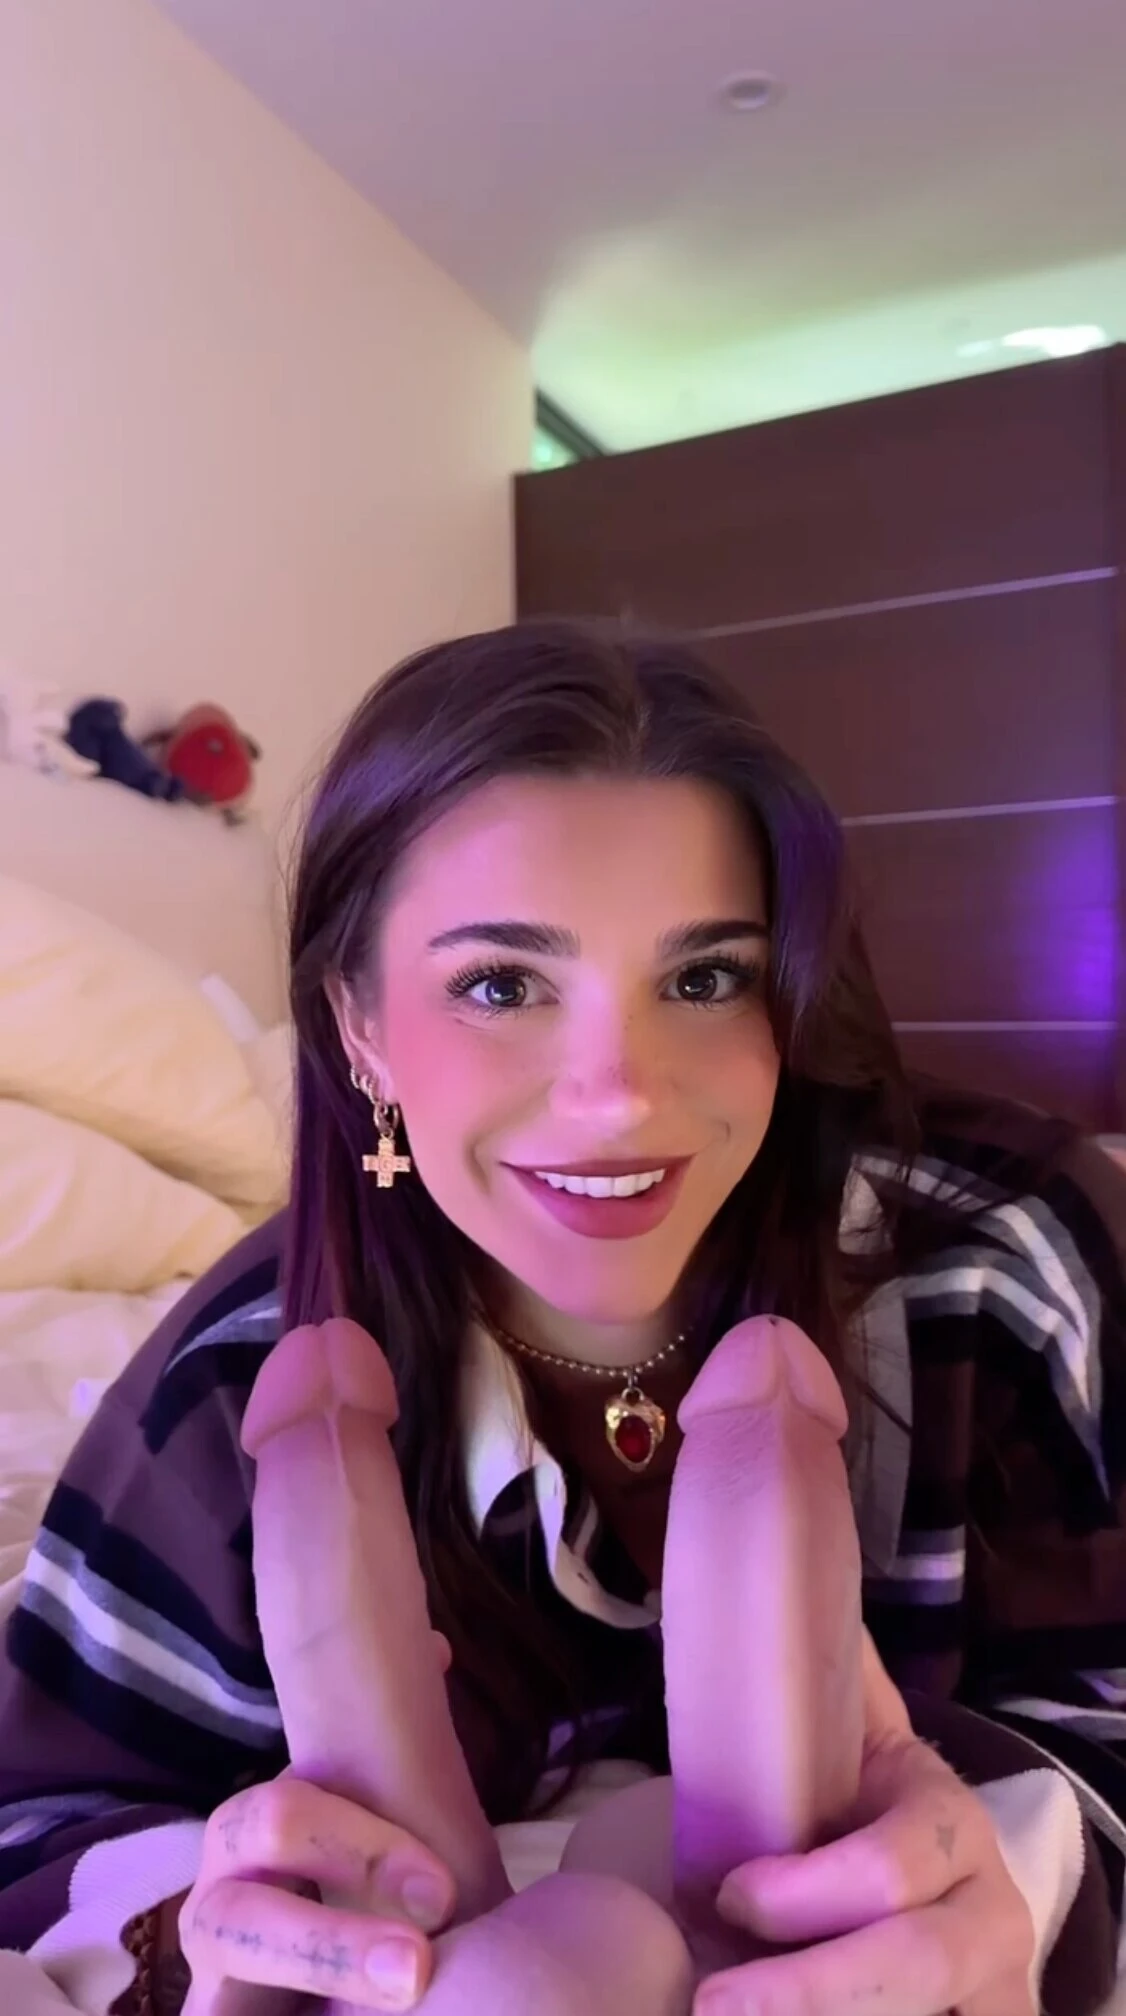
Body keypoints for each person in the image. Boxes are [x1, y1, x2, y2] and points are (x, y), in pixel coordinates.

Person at [0, 621, 1124, 2015]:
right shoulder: (248, 1386)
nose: (617, 1096)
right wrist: (194, 1930)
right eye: (500, 985)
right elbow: (35, 1817)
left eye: (703, 979)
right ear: (357, 1029)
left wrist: (1027, 1866)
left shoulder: (1001, 1258)